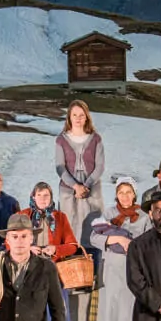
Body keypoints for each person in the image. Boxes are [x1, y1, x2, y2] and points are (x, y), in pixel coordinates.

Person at [88, 177, 151, 321]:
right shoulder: (108, 213)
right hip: (112, 268)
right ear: (116, 194)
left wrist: (133, 244)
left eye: (128, 192)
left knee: (130, 310)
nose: (125, 196)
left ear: (134, 194)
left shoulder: (143, 216)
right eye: (121, 192)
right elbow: (94, 237)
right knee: (114, 308)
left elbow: (150, 241)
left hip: (134, 268)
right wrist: (115, 239)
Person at [15, 183, 79, 321]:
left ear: (51, 198)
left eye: (46, 196)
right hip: (29, 270)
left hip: (53, 270)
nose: (43, 199)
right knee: (30, 309)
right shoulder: (23, 216)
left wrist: (56, 249)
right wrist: (28, 248)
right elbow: (9, 242)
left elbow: (72, 246)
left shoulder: (60, 217)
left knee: (56, 310)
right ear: (33, 197)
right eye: (39, 195)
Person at [56, 99, 106, 239]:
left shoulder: (95, 139)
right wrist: (75, 186)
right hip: (68, 188)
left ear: (86, 117)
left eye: (81, 115)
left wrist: (86, 185)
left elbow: (100, 166)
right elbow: (60, 166)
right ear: (69, 117)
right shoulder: (61, 140)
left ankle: (92, 251)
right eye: (74, 115)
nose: (78, 118)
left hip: (91, 187)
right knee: (69, 226)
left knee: (93, 225)